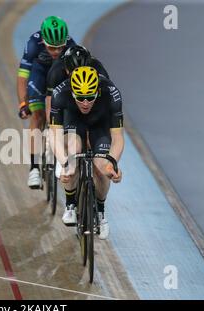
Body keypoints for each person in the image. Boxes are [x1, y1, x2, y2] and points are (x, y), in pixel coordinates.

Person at [49, 66, 125, 240]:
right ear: (72, 92)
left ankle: (100, 211)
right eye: (80, 97)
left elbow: (118, 137)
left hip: (100, 123)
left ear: (98, 91)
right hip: (74, 122)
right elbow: (55, 135)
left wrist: (112, 163)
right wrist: (64, 164)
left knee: (102, 167)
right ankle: (70, 205)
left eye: (89, 97)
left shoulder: (112, 93)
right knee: (73, 153)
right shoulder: (60, 93)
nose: (85, 102)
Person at [17, 16, 76, 189]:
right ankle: (34, 168)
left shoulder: (71, 45)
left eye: (60, 47)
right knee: (38, 115)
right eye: (51, 47)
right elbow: (22, 77)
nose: (56, 51)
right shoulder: (33, 44)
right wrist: (22, 103)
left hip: (60, 75)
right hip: (40, 74)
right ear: (43, 41)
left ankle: (60, 154)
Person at [45, 45, 110, 123]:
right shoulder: (56, 73)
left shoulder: (98, 69)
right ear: (66, 69)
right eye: (74, 73)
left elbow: (108, 101)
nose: (79, 76)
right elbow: (50, 103)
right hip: (66, 99)